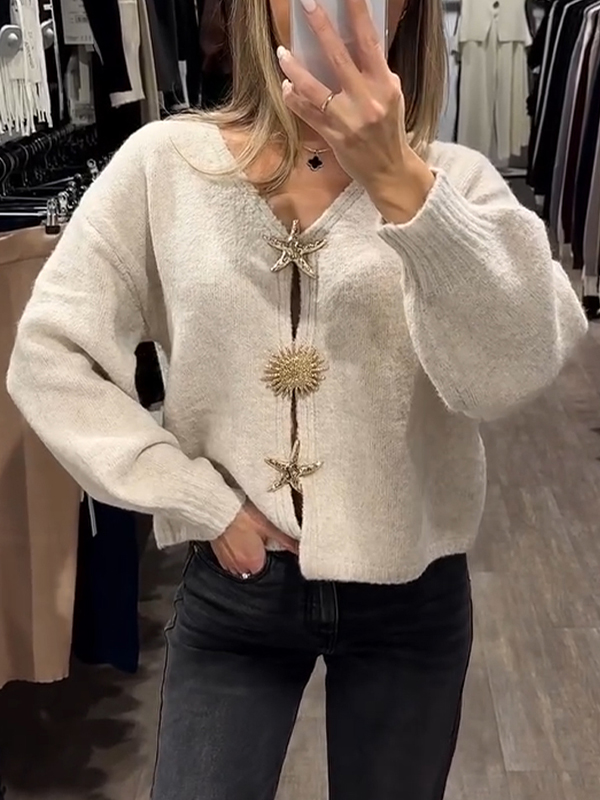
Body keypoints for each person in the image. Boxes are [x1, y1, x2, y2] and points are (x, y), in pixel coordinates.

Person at [6, 0, 588, 797]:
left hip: (411, 595)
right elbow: (50, 353)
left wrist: (402, 184)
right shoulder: (166, 166)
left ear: (406, 12)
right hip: (237, 589)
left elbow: (512, 369)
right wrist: (194, 497)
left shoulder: (456, 182)